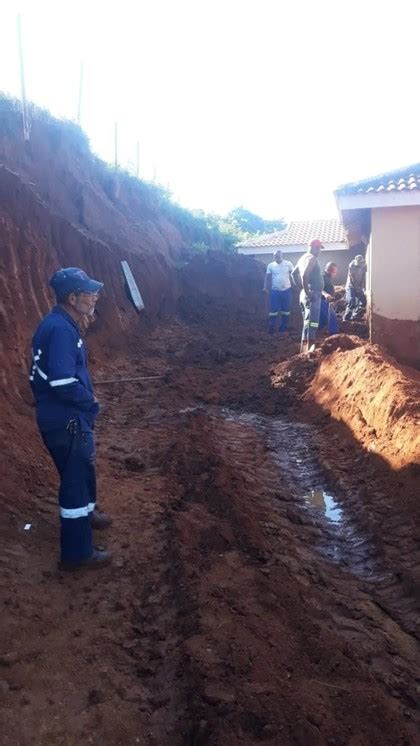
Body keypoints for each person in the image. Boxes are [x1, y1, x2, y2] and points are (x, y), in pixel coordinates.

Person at [29, 268, 112, 571]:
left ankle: (87, 516)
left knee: (82, 468)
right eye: (89, 292)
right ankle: (77, 554)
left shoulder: (61, 324)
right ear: (73, 297)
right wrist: (89, 401)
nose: (95, 297)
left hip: (66, 416)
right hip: (67, 419)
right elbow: (62, 383)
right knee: (75, 480)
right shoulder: (62, 329)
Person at [293, 239, 324, 353]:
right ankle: (309, 350)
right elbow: (305, 275)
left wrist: (299, 289)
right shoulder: (311, 258)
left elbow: (293, 273)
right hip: (312, 294)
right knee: (312, 321)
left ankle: (304, 350)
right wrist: (307, 292)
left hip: (306, 293)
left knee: (307, 322)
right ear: (315, 247)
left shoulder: (302, 258)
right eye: (319, 248)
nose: (319, 251)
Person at [263, 249, 294, 334]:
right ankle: (272, 326)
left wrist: (296, 286)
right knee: (273, 310)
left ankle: (284, 327)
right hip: (275, 292)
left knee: (286, 310)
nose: (277, 258)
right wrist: (265, 287)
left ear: (281, 256)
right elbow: (267, 277)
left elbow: (293, 276)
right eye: (275, 257)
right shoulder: (271, 265)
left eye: (278, 256)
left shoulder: (288, 264)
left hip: (286, 291)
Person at [344, 254, 367, 321]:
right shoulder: (352, 265)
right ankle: (346, 318)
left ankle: (355, 315)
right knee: (352, 301)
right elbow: (352, 278)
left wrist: (361, 287)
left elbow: (363, 277)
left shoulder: (364, 265)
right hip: (351, 286)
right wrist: (356, 289)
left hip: (359, 286)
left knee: (363, 302)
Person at [319, 262, 339, 334]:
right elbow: (319, 288)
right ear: (329, 270)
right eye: (334, 272)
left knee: (322, 319)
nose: (335, 274)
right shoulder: (322, 277)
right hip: (322, 300)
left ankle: (319, 332)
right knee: (332, 317)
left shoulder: (327, 277)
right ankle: (334, 334)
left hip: (325, 300)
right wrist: (326, 295)